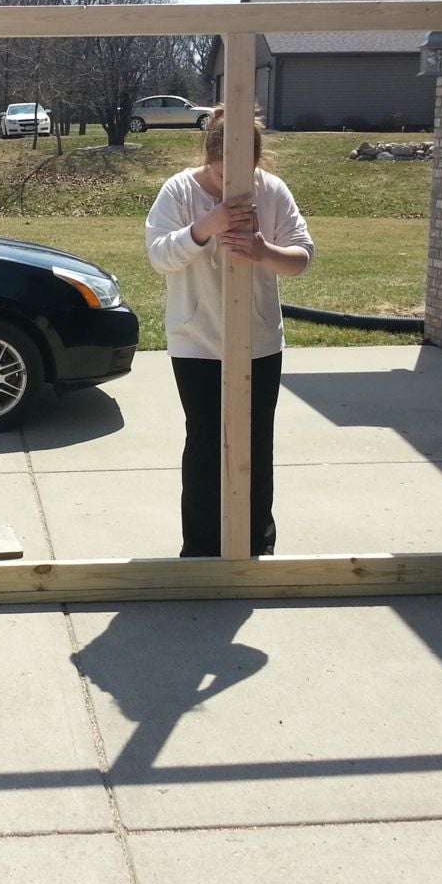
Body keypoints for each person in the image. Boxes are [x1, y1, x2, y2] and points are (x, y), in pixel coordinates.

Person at [146, 106, 314, 558]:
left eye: (244, 176)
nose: (231, 187)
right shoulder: (179, 190)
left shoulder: (272, 190)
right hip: (196, 343)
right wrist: (205, 226)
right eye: (222, 177)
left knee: (256, 443)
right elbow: (159, 256)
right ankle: (200, 550)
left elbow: (302, 256)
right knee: (205, 444)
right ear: (209, 159)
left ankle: (257, 544)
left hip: (260, 342)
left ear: (258, 162)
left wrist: (264, 251)